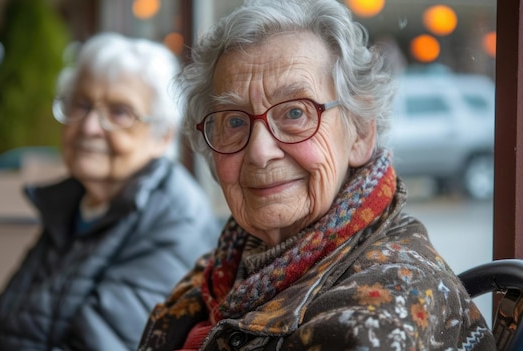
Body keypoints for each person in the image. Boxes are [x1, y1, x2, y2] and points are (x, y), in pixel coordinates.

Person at [137, 0, 496, 350]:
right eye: (233, 121)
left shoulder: (381, 311)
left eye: (295, 113)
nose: (260, 152)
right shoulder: (224, 269)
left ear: (360, 132)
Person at [0, 32, 220, 351]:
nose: (89, 126)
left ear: (162, 136)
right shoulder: (77, 202)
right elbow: (2, 321)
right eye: (81, 105)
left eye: (120, 112)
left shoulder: (175, 222)